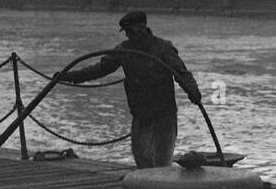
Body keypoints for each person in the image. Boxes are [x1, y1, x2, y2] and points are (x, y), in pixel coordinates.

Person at [61, 10, 203, 168]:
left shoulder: (163, 48)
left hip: (163, 115)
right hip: (140, 113)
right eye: (126, 32)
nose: (128, 35)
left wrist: (193, 91)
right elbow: (100, 69)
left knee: (162, 162)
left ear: (143, 28)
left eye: (131, 31)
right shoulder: (124, 50)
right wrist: (68, 76)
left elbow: (182, 74)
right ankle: (147, 188)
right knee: (142, 159)